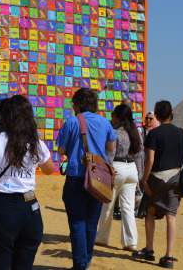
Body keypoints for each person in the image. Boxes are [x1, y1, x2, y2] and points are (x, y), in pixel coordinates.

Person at [0, 95, 55, 269]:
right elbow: (49, 169)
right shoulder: (35, 143)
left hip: (2, 208)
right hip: (30, 207)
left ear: (5, 117)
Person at [56, 88, 117, 270]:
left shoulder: (72, 122)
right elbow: (111, 148)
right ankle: (87, 260)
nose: (72, 106)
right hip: (98, 178)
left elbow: (61, 151)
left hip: (76, 176)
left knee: (76, 223)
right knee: (91, 223)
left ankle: (80, 263)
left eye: (73, 103)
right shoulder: (105, 122)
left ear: (79, 104)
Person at [133, 100, 183, 269]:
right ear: (171, 114)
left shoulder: (154, 134)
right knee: (171, 214)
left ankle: (149, 250)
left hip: (156, 178)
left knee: (150, 209)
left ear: (156, 115)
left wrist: (144, 179)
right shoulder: (180, 132)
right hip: (175, 178)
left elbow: (150, 160)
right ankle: (169, 256)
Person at [95, 104, 144, 251]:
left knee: (107, 205)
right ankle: (131, 242)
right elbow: (140, 155)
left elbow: (110, 154)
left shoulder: (114, 132)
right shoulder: (135, 132)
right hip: (132, 170)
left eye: (113, 114)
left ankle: (102, 237)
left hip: (117, 168)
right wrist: (139, 176)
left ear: (119, 117)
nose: (111, 117)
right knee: (128, 207)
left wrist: (108, 173)